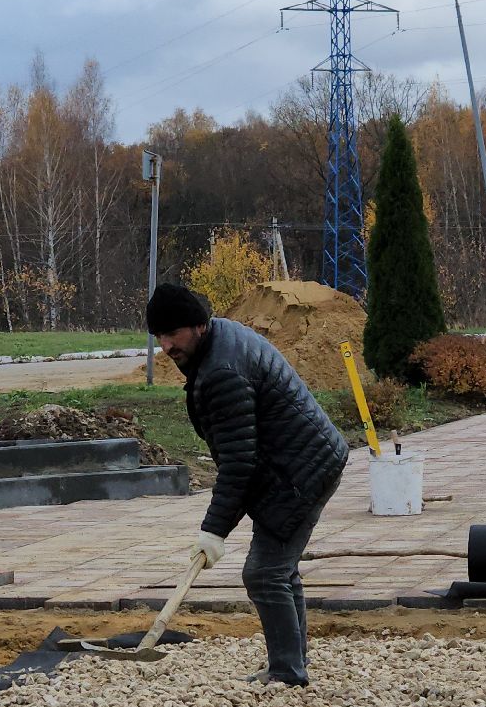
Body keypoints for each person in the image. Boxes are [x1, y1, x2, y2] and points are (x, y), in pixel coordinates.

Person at [146, 283, 348, 686]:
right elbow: (243, 456)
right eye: (160, 337)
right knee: (278, 569)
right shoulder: (220, 341)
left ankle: (288, 673)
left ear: (199, 325)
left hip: (299, 470)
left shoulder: (221, 370)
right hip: (299, 461)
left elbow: (240, 463)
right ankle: (290, 664)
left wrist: (213, 532)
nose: (167, 346)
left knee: (264, 572)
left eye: (174, 334)